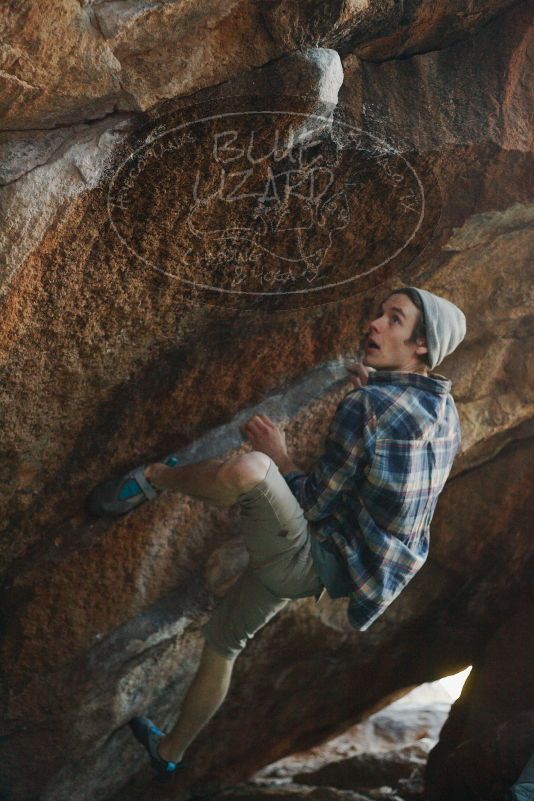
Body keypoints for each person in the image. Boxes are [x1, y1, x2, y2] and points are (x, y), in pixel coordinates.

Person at [88, 285, 466, 782]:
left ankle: (153, 478)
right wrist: (371, 385)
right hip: (331, 572)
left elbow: (312, 501)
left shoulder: (369, 405)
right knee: (223, 645)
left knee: (252, 468)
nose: (374, 324)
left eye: (393, 319)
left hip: (309, 555)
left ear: (422, 346)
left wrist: (280, 452)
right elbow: (387, 458)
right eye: (380, 313)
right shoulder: (443, 412)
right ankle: (170, 751)